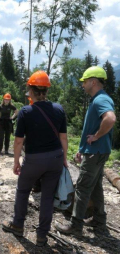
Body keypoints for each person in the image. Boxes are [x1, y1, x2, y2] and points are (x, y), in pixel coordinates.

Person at [2, 70, 68, 247]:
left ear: (31, 91)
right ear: (46, 91)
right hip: (55, 158)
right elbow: (63, 138)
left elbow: (18, 141)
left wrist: (16, 161)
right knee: (47, 197)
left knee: (23, 190)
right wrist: (64, 159)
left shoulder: (25, 112)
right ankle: (42, 236)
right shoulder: (59, 109)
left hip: (34, 160)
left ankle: (18, 224)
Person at [55, 66, 116, 236]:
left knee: (82, 186)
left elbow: (110, 118)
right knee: (96, 186)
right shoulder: (99, 98)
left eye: (84, 82)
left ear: (93, 81)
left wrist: (96, 137)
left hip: (95, 152)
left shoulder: (100, 100)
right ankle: (99, 219)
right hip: (96, 151)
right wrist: (82, 148)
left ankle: (75, 225)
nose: (82, 85)